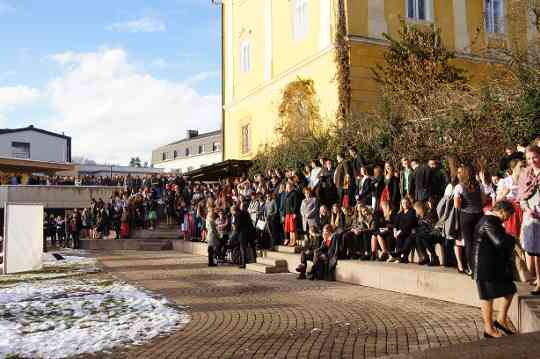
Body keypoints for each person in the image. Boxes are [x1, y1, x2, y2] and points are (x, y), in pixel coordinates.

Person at [473, 200, 517, 338]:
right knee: (487, 296)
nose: (508, 218)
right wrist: (513, 239)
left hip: (490, 265)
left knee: (509, 289)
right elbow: (500, 242)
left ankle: (501, 320)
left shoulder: (490, 220)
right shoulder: (489, 221)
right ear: (502, 211)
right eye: (508, 215)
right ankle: (489, 328)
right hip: (484, 266)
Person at [454, 164, 485, 275]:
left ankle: (471, 268)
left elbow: (457, 205)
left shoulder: (459, 187)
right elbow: (483, 201)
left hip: (466, 215)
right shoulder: (479, 185)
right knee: (479, 241)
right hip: (479, 215)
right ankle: (480, 266)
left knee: (468, 242)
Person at [519, 145, 540, 295]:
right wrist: (528, 210)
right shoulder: (525, 174)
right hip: (531, 217)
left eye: (535, 157)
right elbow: (522, 196)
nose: (532, 161)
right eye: (529, 158)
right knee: (535, 251)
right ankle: (539, 280)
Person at [283, 182, 301, 247]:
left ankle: (294, 241)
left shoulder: (294, 193)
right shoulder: (287, 194)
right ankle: (291, 241)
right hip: (287, 214)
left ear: (292, 187)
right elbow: (286, 205)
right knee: (289, 229)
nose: (288, 188)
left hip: (292, 213)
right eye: (287, 187)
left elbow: (296, 204)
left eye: (289, 186)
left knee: (293, 228)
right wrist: (285, 214)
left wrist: (295, 213)